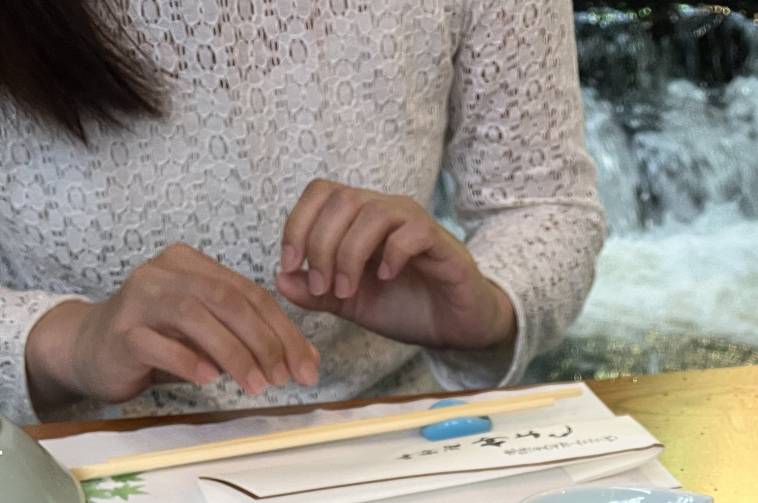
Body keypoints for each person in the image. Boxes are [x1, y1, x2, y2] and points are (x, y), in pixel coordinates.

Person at [0, 0, 605, 425]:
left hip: (396, 447)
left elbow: (545, 202)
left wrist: (488, 305)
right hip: (79, 482)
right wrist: (69, 342)